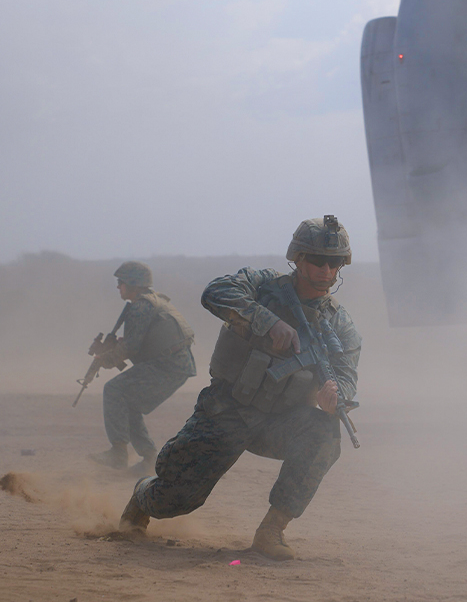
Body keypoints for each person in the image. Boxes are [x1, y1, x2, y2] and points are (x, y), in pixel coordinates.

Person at [118, 216, 361, 560]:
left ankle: (271, 532)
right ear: (298, 258)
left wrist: (336, 398)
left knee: (324, 433)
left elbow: (346, 375)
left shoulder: (339, 326)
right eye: (318, 260)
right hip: (227, 409)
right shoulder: (263, 285)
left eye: (334, 262)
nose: (326, 270)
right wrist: (267, 321)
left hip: (281, 421)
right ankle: (142, 497)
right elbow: (214, 292)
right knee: (177, 500)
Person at [88, 261, 197, 474]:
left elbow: (131, 347)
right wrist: (112, 349)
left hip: (167, 365)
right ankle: (148, 460)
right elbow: (135, 343)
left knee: (114, 390)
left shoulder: (141, 306)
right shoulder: (152, 302)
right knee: (128, 403)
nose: (118, 287)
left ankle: (118, 453)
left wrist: (104, 359)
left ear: (133, 284)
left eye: (121, 283)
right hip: (174, 365)